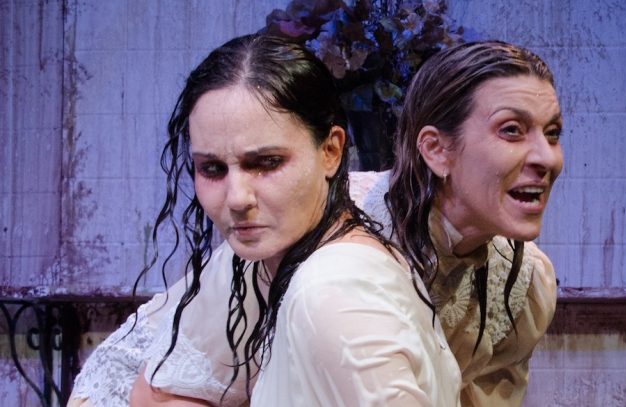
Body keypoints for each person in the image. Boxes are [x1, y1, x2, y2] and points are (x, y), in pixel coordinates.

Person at [67, 34, 461, 407]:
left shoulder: (331, 287)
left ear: (331, 151)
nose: (237, 198)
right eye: (212, 169)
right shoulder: (287, 263)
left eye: (267, 163)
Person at [349, 40, 562, 406]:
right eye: (512, 130)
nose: (546, 158)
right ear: (436, 149)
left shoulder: (524, 281)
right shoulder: (334, 226)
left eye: (553, 133)